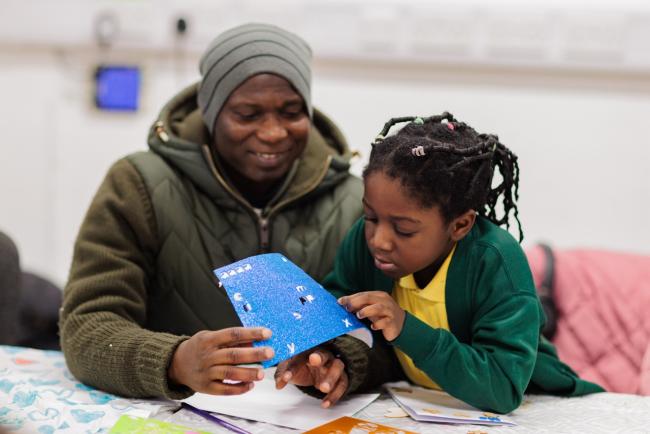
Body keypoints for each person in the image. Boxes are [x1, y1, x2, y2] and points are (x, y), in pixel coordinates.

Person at [59, 23, 365, 403]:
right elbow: (87, 326)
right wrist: (173, 361)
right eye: (248, 114)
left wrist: (343, 362)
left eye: (291, 112)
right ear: (211, 111)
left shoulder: (355, 201)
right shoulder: (139, 185)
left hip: (304, 419)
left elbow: (392, 335)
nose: (272, 132)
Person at [319, 112, 604, 413]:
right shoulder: (365, 244)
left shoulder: (496, 263)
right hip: (419, 403)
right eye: (371, 218)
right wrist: (329, 359)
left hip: (538, 406)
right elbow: (335, 314)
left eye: (404, 229)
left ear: (460, 225)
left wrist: (406, 328)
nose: (379, 240)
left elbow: (503, 388)